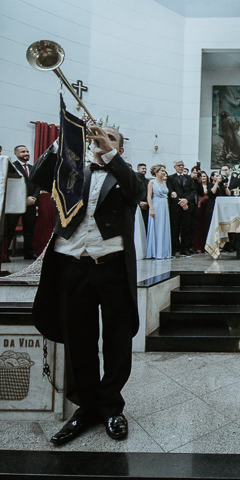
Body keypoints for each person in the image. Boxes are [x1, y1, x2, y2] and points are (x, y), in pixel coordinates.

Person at [29, 124, 145, 446]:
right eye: (96, 137)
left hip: (112, 268)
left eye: (110, 139)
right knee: (77, 338)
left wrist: (108, 151)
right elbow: (38, 178)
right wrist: (63, 143)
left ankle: (111, 407)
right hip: (71, 267)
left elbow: (136, 191)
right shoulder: (72, 171)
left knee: (117, 340)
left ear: (119, 149)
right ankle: (85, 407)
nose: (99, 141)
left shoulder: (127, 175)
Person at [6, 144, 39, 260]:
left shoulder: (32, 168)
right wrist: (23, 200)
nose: (26, 153)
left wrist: (34, 198)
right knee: (10, 229)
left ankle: (29, 253)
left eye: (27, 151)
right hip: (15, 204)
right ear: (16, 154)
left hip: (30, 204)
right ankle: (5, 253)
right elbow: (11, 186)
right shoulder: (11, 167)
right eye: (22, 152)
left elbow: (37, 184)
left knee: (29, 230)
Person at [167, 160, 196, 256]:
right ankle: (174, 248)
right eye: (179, 165)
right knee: (174, 228)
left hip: (187, 207)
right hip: (176, 207)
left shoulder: (189, 178)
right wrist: (180, 201)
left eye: (182, 165)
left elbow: (193, 191)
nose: (181, 167)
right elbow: (170, 191)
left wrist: (186, 200)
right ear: (174, 167)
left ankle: (185, 248)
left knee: (186, 228)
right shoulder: (170, 178)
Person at [145, 164, 172, 260]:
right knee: (157, 227)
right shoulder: (152, 182)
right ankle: (156, 251)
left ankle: (164, 251)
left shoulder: (164, 182)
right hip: (156, 206)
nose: (163, 172)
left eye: (164, 171)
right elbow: (149, 196)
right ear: (156, 172)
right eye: (162, 171)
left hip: (164, 206)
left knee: (164, 227)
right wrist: (151, 208)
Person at [193, 172, 214, 253]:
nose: (203, 178)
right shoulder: (197, 186)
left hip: (208, 207)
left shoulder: (210, 185)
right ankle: (198, 246)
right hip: (200, 206)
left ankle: (207, 245)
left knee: (206, 227)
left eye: (205, 176)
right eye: (201, 176)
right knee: (199, 227)